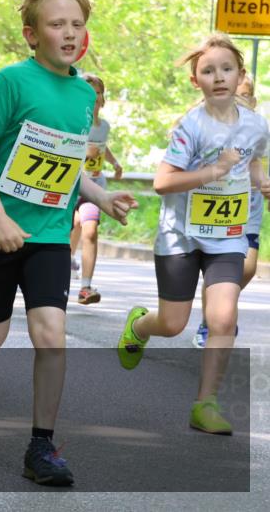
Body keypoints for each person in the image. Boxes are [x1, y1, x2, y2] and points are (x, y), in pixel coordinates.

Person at [0, 0, 137, 487]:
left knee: (50, 335)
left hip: (48, 235)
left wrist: (100, 196)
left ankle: (42, 445)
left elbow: (66, 163)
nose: (69, 33)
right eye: (57, 24)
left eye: (77, 24)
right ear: (31, 34)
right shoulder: (12, 81)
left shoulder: (83, 93)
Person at [117, 34, 268, 435]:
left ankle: (206, 404)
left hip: (228, 236)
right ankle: (139, 326)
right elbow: (163, 182)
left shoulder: (256, 124)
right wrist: (213, 171)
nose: (218, 77)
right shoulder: (192, 126)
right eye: (208, 71)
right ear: (195, 80)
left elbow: (254, 159)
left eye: (227, 69)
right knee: (172, 324)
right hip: (180, 236)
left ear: (240, 75)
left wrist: (260, 181)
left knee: (223, 318)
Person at [192, 75, 263, 348]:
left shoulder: (258, 129)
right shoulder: (209, 125)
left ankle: (221, 305)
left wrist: (264, 184)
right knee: (221, 272)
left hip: (248, 209)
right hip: (216, 210)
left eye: (245, 95)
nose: (239, 100)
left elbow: (260, 164)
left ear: (253, 100)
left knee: (247, 268)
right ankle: (210, 322)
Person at [68, 74, 124, 304]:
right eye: (89, 92)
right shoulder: (71, 121)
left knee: (89, 230)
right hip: (70, 186)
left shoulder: (104, 126)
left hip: (95, 187)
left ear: (103, 97)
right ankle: (68, 259)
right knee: (73, 226)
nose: (94, 97)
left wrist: (114, 162)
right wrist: (83, 153)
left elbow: (102, 147)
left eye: (98, 92)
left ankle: (85, 287)